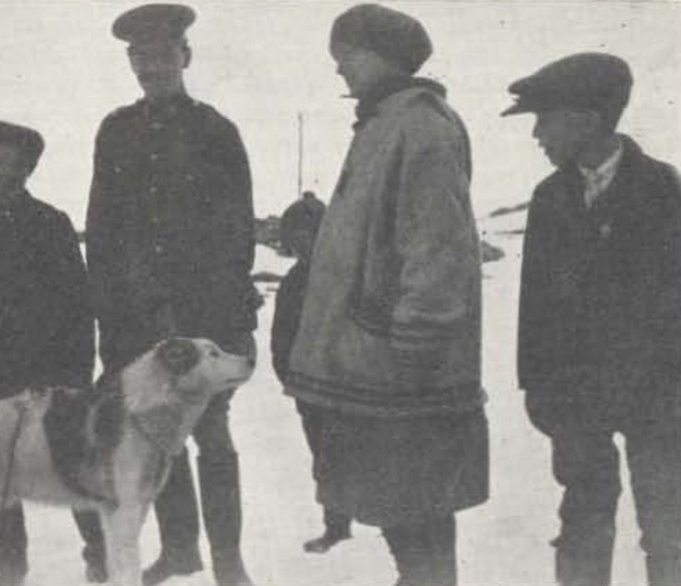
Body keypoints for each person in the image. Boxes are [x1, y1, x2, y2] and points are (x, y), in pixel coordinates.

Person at [285, 5, 489, 585]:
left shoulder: (420, 125)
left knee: (417, 504)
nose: (340, 70)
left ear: (381, 55)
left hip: (403, 363)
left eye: (345, 56)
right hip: (378, 361)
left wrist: (417, 337)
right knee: (400, 504)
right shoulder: (386, 122)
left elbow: (437, 244)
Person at [85, 4, 260, 585]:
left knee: (212, 437)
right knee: (160, 441)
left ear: (185, 56)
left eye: (160, 55)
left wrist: (210, 321)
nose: (149, 67)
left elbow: (237, 233)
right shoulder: (115, 132)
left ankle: (229, 560)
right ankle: (181, 547)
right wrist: (115, 322)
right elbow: (103, 233)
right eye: (138, 57)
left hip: (204, 322)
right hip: (138, 328)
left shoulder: (215, 131)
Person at [504, 53, 681, 586]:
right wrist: (537, 388)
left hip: (659, 402)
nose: (536, 133)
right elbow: (533, 308)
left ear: (587, 119)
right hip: (577, 400)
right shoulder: (548, 197)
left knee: (667, 526)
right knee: (582, 523)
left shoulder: (666, 192)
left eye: (544, 118)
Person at [0, 120, 105, 586]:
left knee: (71, 468)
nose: (8, 173)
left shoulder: (52, 225)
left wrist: (73, 379)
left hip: (51, 380)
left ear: (31, 170)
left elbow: (80, 306)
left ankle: (102, 556)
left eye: (18, 165)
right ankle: (10, 566)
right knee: (1, 479)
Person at [270, 191, 353, 554]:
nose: (300, 245)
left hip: (349, 386)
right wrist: (289, 379)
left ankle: (377, 518)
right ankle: (336, 526)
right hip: (310, 390)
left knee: (359, 455)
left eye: (305, 234)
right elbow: (280, 339)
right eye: (293, 239)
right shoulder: (292, 283)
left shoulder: (348, 275)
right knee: (323, 458)